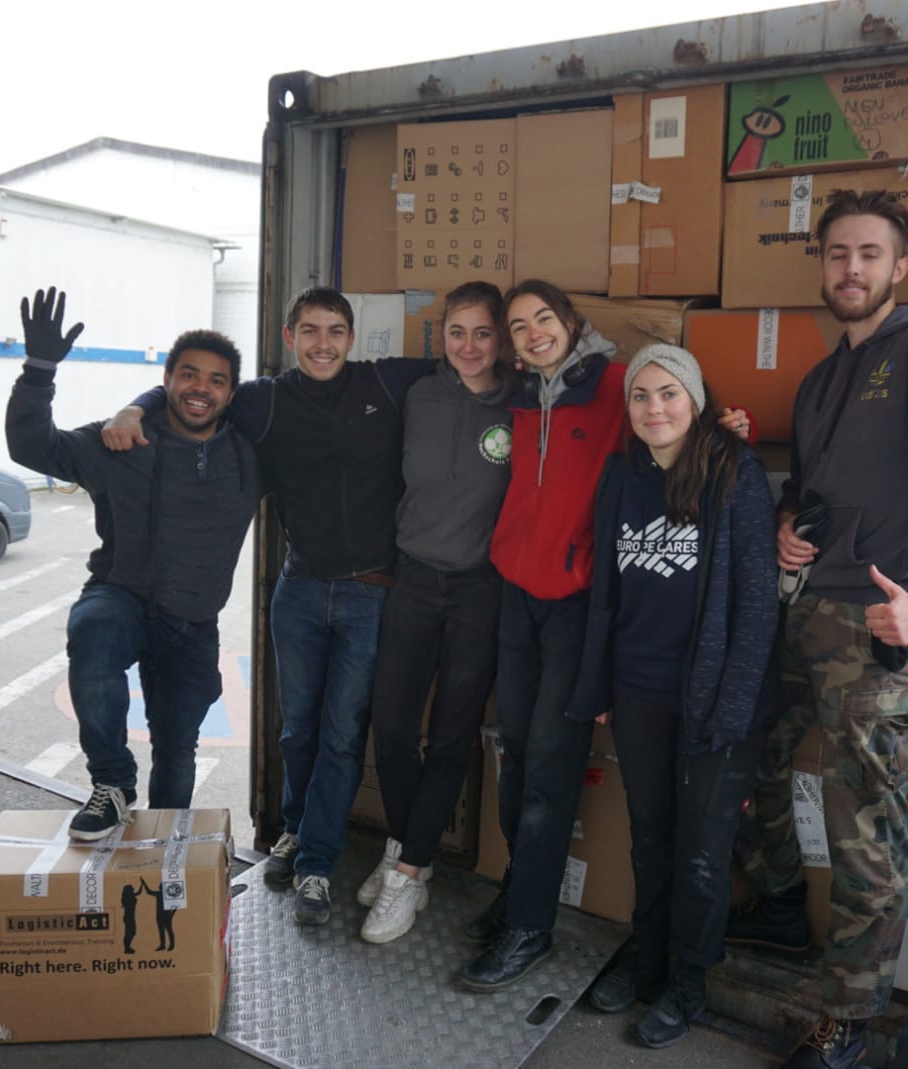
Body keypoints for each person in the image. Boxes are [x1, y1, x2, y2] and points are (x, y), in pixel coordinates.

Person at [726, 190, 908, 1069]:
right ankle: (780, 909)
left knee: (865, 822)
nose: (849, 269)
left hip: (879, 628)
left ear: (901, 266)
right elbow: (817, 491)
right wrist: (788, 522)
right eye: (835, 254)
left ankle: (847, 1019)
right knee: (756, 755)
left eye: (869, 254)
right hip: (805, 615)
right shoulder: (824, 378)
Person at [103, 287, 432, 927]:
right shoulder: (265, 400)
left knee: (341, 736)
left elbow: (465, 372)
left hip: (371, 592)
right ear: (289, 337)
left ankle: (315, 865)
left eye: (336, 331)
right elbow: (188, 396)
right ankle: (295, 831)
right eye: (310, 331)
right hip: (300, 589)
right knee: (296, 729)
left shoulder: (386, 385)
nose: (323, 343)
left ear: (352, 336)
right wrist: (132, 408)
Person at [461, 281, 752, 991]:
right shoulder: (521, 393)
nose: (532, 333)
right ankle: (519, 889)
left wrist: (725, 426)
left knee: (551, 767)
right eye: (518, 325)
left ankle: (531, 925)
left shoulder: (621, 383)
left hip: (577, 604)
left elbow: (678, 412)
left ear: (570, 321)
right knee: (516, 753)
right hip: (517, 595)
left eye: (544, 319)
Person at [568, 344, 779, 1048]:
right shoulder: (621, 475)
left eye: (669, 394)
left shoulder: (735, 473)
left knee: (700, 849)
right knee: (651, 835)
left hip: (714, 696)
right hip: (637, 690)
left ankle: (689, 980)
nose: (654, 408)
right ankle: (647, 957)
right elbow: (606, 590)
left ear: (694, 398)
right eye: (640, 396)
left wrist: (734, 704)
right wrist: (597, 681)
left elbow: (756, 603)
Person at [5, 287, 261, 841]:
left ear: (231, 393)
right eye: (188, 375)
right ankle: (113, 785)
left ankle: (165, 845)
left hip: (192, 621)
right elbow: (31, 446)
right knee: (92, 632)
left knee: (177, 748)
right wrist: (39, 370)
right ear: (167, 380)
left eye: (216, 380)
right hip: (122, 593)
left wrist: (140, 399)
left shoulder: (250, 453)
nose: (201, 388)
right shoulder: (123, 439)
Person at [357, 282, 517, 944]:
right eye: (457, 332)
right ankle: (406, 852)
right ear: (441, 335)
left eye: (483, 333)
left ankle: (408, 869)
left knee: (451, 736)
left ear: (502, 339)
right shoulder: (415, 391)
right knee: (391, 724)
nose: (469, 346)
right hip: (416, 579)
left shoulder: (524, 402)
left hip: (482, 588)